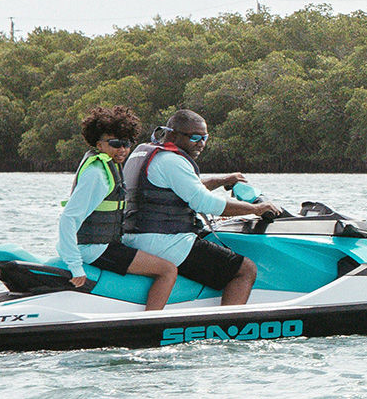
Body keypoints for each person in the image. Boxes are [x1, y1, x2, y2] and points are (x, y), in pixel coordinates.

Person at [120, 109, 285, 306]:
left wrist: (224, 179)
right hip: (166, 243)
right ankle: (229, 328)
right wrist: (255, 209)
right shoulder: (172, 160)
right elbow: (205, 203)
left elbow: (187, 187)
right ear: (172, 134)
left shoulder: (148, 154)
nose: (201, 143)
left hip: (135, 237)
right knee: (245, 270)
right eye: (194, 137)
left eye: (205, 137)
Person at [58, 106, 182, 311]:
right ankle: (150, 324)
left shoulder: (109, 164)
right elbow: (68, 219)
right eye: (115, 144)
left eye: (126, 143)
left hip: (100, 244)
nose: (122, 149)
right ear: (98, 143)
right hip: (93, 249)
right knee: (168, 270)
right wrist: (75, 266)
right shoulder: (97, 174)